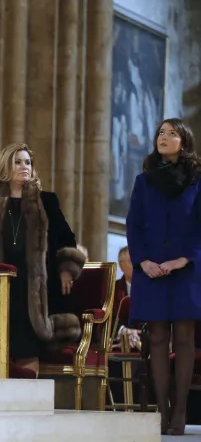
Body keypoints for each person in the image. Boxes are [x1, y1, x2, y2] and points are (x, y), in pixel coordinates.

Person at [0, 142, 85, 376]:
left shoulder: (47, 201)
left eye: (28, 162)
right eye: (18, 162)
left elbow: (66, 238)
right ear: (5, 167)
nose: (24, 167)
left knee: (28, 347)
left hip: (35, 288)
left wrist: (66, 269)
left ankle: (28, 403)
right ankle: (2, 406)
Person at [126, 118, 201, 435]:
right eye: (160, 132)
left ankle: (181, 411)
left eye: (172, 134)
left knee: (184, 339)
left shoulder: (197, 181)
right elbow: (133, 224)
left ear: (184, 142)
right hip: (151, 271)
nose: (164, 137)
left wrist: (185, 259)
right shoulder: (144, 182)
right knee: (156, 338)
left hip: (186, 271)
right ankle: (162, 409)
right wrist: (142, 261)